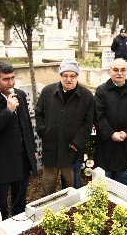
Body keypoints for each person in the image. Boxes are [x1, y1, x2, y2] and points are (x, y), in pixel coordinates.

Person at [0, 62, 37, 219]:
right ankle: (0, 232)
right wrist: (8, 110)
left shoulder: (20, 95)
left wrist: (32, 150)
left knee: (19, 200)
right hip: (1, 162)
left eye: (13, 78)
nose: (11, 83)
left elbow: (27, 125)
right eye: (6, 79)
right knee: (0, 204)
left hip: (21, 159)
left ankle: (18, 226)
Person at [36, 58, 94, 196]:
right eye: (65, 75)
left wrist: (76, 143)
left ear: (77, 76)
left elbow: (88, 123)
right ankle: (46, 210)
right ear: (60, 76)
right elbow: (39, 114)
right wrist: (44, 131)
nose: (69, 79)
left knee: (71, 188)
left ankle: (71, 211)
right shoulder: (47, 92)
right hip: (51, 148)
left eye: (72, 76)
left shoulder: (86, 96)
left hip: (71, 150)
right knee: (47, 186)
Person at [94, 58, 127, 185]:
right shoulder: (102, 91)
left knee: (123, 176)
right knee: (103, 177)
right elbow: (98, 115)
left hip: (125, 141)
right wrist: (111, 133)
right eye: (115, 70)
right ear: (110, 71)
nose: (119, 73)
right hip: (106, 141)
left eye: (122, 70)